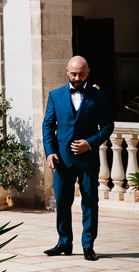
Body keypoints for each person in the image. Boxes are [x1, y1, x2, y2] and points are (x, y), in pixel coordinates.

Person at [42, 55, 114, 262]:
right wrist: (50, 152)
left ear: (88, 72)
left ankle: (88, 246)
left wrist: (89, 143)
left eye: (81, 74)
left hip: (88, 159)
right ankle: (64, 242)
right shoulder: (55, 96)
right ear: (67, 72)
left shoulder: (99, 97)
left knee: (90, 203)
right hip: (62, 159)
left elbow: (108, 126)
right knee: (62, 202)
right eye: (74, 73)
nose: (77, 77)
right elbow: (48, 126)